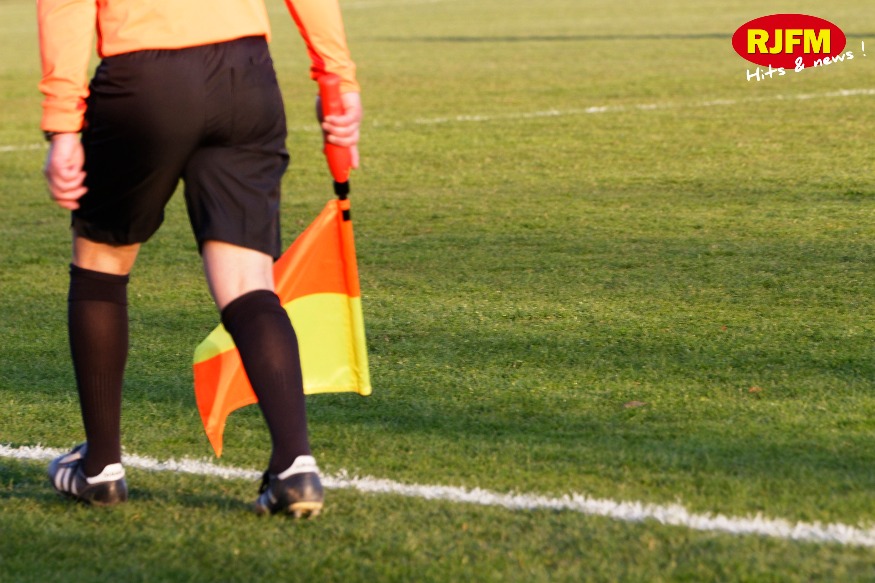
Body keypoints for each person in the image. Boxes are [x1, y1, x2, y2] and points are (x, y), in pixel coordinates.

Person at [37, 0, 362, 518]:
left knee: (101, 262)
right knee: (248, 281)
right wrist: (336, 80)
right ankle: (294, 467)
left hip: (145, 77)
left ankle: (100, 469)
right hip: (244, 73)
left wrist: (63, 127)